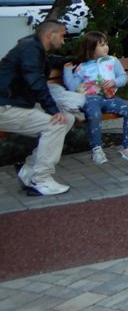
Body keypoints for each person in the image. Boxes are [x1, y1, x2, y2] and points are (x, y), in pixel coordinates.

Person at [0, 21, 74, 195]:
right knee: (56, 124)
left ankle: (29, 170)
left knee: (68, 118)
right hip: (5, 107)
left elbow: (50, 61)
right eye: (62, 36)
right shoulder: (30, 49)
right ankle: (41, 179)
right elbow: (35, 82)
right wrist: (53, 110)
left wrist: (81, 59)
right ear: (50, 35)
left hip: (13, 104)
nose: (63, 41)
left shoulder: (33, 48)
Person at [63, 31, 128, 163]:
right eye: (102, 45)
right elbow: (72, 86)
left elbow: (123, 77)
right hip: (90, 99)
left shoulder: (112, 61)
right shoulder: (82, 67)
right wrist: (67, 71)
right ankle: (96, 148)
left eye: (106, 44)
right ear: (91, 48)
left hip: (109, 97)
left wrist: (114, 82)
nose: (106, 47)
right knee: (94, 114)